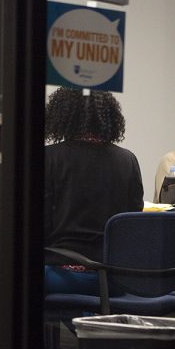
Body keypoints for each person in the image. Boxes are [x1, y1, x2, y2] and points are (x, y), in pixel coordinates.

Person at [43, 88, 144, 296]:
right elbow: (134, 219)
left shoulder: (50, 158)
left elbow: (40, 224)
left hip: (62, 274)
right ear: (109, 117)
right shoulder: (128, 160)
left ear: (60, 116)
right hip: (115, 278)